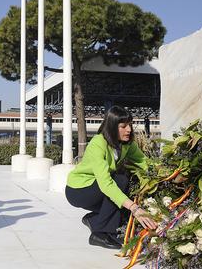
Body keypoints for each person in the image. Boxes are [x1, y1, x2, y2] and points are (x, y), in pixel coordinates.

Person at [65, 106, 157, 249]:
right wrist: (134, 208)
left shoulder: (128, 145)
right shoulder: (98, 143)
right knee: (120, 180)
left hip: (98, 190)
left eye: (130, 125)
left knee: (123, 195)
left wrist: (166, 172)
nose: (129, 130)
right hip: (79, 190)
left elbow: (144, 162)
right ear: (112, 127)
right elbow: (106, 184)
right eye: (123, 126)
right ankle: (99, 233)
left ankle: (94, 219)